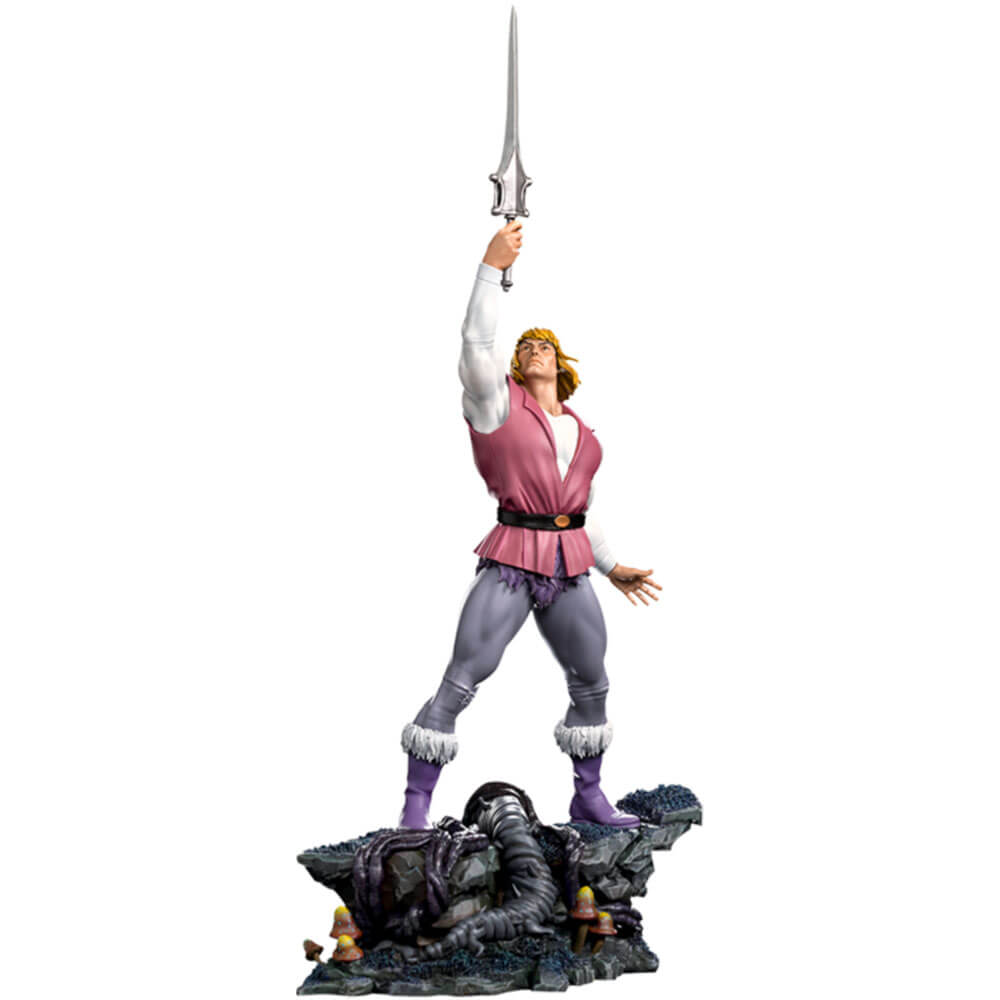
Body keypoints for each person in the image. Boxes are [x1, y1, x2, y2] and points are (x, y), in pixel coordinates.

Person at [398, 221, 661, 830]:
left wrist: (611, 565)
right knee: (463, 679)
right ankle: (415, 806)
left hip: (570, 566)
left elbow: (579, 508)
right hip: (514, 558)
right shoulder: (496, 405)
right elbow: (476, 341)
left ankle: (588, 797)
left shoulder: (583, 432)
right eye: (524, 347)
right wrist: (491, 268)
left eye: (544, 345)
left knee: (592, 682)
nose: (533, 349)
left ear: (560, 362)